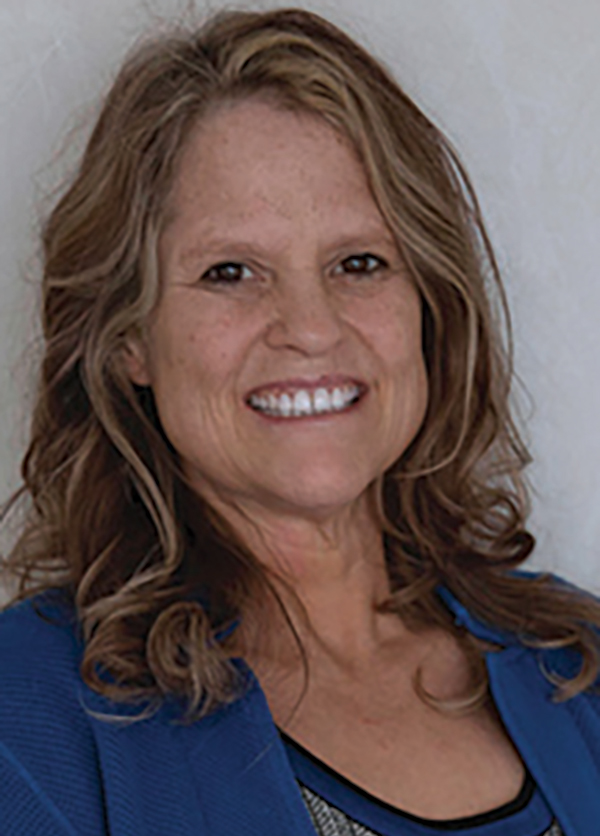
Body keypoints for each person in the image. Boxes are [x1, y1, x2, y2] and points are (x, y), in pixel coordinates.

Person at [0, 7, 598, 835]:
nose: (311, 326)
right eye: (231, 271)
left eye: (360, 263)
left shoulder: (581, 665)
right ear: (128, 337)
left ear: (429, 306)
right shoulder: (25, 720)